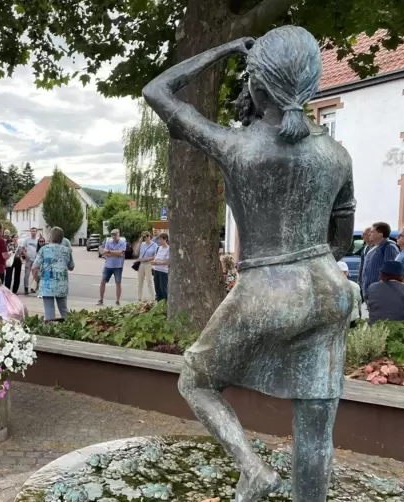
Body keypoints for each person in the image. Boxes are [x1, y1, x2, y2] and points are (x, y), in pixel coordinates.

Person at [143, 27, 356, 501]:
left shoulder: (236, 146)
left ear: (257, 88)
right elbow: (341, 240)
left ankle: (253, 468)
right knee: (317, 431)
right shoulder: (337, 156)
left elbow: (156, 91)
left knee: (195, 380)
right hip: (330, 289)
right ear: (312, 87)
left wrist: (225, 49)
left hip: (268, 290)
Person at [32, 227, 75, 320]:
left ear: (50, 236)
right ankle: (69, 328)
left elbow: (34, 267)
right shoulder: (67, 250)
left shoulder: (43, 249)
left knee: (49, 310)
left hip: (47, 284)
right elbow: (71, 267)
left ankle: (51, 330)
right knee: (64, 310)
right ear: (62, 237)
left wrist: (36, 279)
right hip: (62, 284)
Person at [360, 222, 399, 300]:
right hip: (369, 291)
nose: (369, 234)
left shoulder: (389, 247)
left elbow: (390, 272)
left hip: (380, 292)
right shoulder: (372, 248)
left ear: (380, 234)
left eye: (372, 232)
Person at [366, 260, 404, 325]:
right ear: (401, 276)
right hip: (399, 330)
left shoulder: (372, 287)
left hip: (376, 329)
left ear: (381, 274)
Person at [98, 229, 125, 306]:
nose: (113, 236)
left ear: (118, 234)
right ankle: (101, 299)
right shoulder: (108, 242)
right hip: (108, 265)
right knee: (103, 281)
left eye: (115, 234)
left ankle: (117, 300)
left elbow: (120, 253)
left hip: (118, 266)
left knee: (118, 283)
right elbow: (104, 252)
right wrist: (114, 253)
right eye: (112, 234)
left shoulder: (122, 243)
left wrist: (109, 252)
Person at [134, 231, 157, 301]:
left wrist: (145, 259)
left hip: (149, 264)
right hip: (141, 264)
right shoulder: (142, 244)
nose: (146, 238)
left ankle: (152, 299)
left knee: (149, 282)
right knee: (140, 282)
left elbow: (155, 256)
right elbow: (136, 253)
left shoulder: (154, 245)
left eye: (147, 236)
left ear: (150, 236)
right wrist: (139, 243)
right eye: (144, 237)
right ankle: (139, 298)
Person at [337, 261, 361, 327]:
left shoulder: (332, 287)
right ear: (347, 273)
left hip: (338, 321)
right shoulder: (355, 285)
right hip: (353, 319)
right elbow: (359, 303)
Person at [22, 227, 39, 294]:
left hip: (36, 260)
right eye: (32, 231)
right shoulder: (27, 240)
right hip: (29, 260)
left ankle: (33, 288)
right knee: (27, 274)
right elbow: (23, 249)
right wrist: (26, 255)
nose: (33, 232)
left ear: (36, 232)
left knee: (35, 275)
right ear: (30, 232)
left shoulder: (38, 240)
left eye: (34, 231)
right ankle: (26, 288)